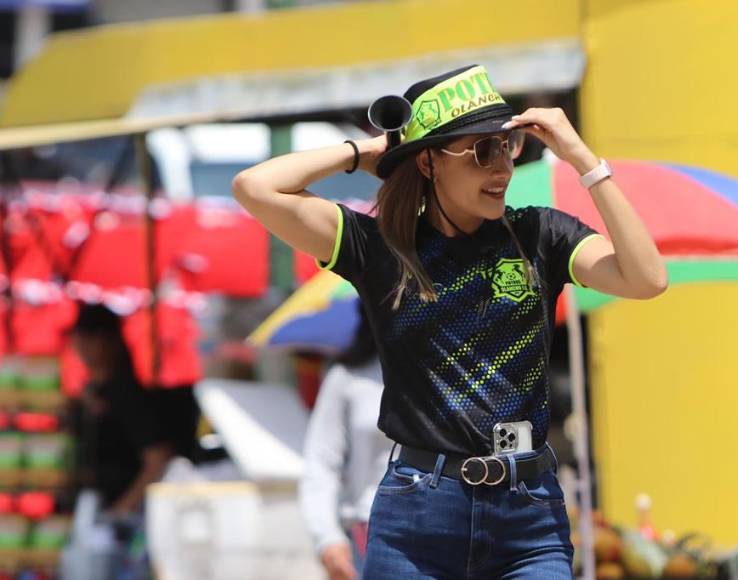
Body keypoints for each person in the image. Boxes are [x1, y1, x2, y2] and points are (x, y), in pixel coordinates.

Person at [233, 64, 666, 578]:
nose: (501, 168)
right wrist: (369, 153)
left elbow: (647, 279)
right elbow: (254, 187)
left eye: (507, 146)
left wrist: (582, 159)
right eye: (482, 151)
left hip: (529, 517)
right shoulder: (380, 248)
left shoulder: (540, 235)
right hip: (417, 516)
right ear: (429, 162)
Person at [299, 305, 390, 580]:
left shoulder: (444, 372)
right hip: (368, 535)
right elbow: (321, 462)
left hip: (445, 530)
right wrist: (326, 538)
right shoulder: (348, 377)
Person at [68, 304, 174, 517]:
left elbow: (158, 458)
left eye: (91, 336)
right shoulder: (92, 392)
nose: (82, 344)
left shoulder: (127, 394)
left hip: (122, 519)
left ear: (111, 341)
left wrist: (122, 510)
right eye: (79, 336)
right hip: (90, 510)